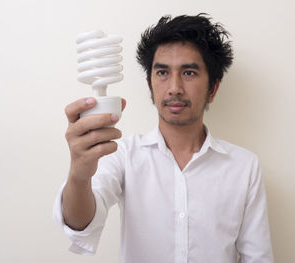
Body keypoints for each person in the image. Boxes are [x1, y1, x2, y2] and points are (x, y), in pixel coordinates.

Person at [53, 14, 274, 263]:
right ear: (150, 86)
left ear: (212, 89)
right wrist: (79, 175)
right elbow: (80, 222)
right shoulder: (123, 155)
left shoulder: (244, 166)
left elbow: (258, 257)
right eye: (162, 73)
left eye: (189, 73)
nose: (174, 88)